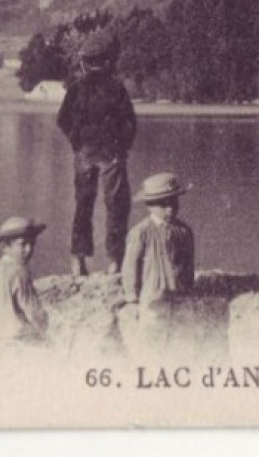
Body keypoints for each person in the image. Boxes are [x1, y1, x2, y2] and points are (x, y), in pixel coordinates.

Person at [56, 30, 137, 276]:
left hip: (85, 153)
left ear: (85, 62)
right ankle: (114, 262)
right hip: (111, 152)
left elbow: (62, 120)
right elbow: (130, 123)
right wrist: (122, 147)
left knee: (83, 206)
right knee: (116, 206)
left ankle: (78, 261)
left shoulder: (76, 88)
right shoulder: (117, 88)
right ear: (107, 61)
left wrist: (76, 142)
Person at [122, 172, 196, 310]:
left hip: (180, 300)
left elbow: (188, 265)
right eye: (163, 204)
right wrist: (132, 298)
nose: (170, 208)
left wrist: (188, 289)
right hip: (153, 301)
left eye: (174, 202)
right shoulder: (141, 232)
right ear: (149, 205)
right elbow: (130, 266)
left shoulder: (184, 232)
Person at [0, 215, 50, 342]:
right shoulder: (19, 271)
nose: (29, 249)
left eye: (32, 243)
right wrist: (49, 331)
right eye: (22, 244)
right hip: (15, 338)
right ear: (5, 247)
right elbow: (33, 311)